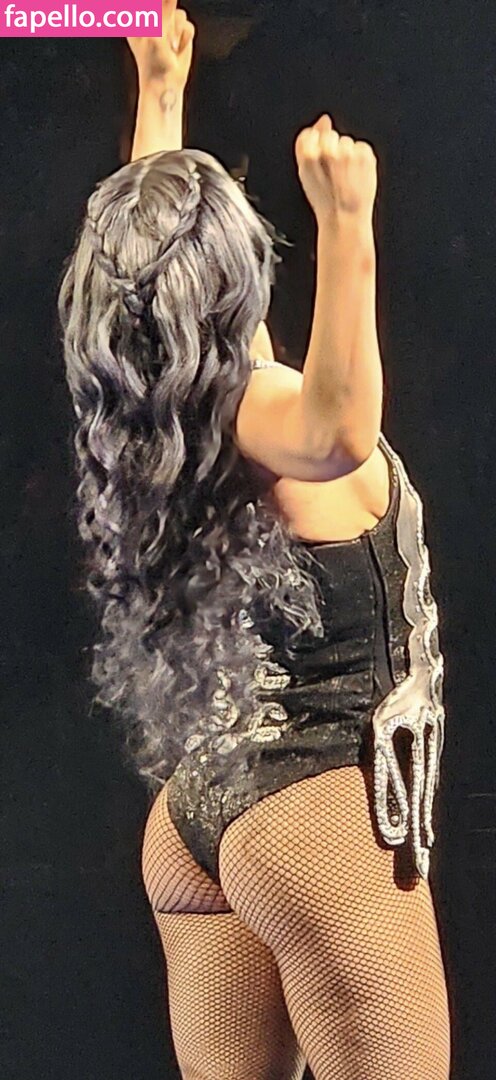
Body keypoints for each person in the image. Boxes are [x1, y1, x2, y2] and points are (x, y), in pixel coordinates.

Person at [58, 3, 451, 1078]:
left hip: (200, 816)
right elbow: (339, 428)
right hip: (311, 817)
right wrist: (346, 224)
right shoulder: (270, 414)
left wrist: (160, 95)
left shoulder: (169, 407)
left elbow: (150, 274)